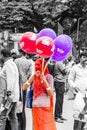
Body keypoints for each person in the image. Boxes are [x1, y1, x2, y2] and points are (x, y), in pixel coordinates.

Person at [22, 58, 57, 130]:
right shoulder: (34, 77)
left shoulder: (49, 77)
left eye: (39, 65)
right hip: (36, 106)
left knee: (46, 127)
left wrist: (45, 81)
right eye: (36, 65)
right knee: (35, 127)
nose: (37, 67)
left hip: (46, 107)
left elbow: (51, 93)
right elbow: (24, 88)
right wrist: (32, 78)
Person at [15, 49, 34, 130]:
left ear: (21, 53)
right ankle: (23, 127)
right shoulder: (29, 62)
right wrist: (27, 83)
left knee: (16, 106)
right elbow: (31, 75)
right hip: (24, 86)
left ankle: (18, 125)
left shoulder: (15, 61)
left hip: (16, 85)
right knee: (22, 107)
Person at [0, 48, 19, 130]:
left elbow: (10, 80)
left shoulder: (8, 65)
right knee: (12, 116)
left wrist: (9, 94)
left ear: (2, 55)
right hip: (13, 95)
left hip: (9, 96)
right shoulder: (12, 64)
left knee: (2, 116)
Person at [68, 52, 87, 130]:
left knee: (85, 115)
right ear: (80, 58)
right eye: (84, 57)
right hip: (78, 95)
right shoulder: (75, 68)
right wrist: (74, 86)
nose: (85, 59)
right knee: (78, 114)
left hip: (86, 94)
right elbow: (70, 79)